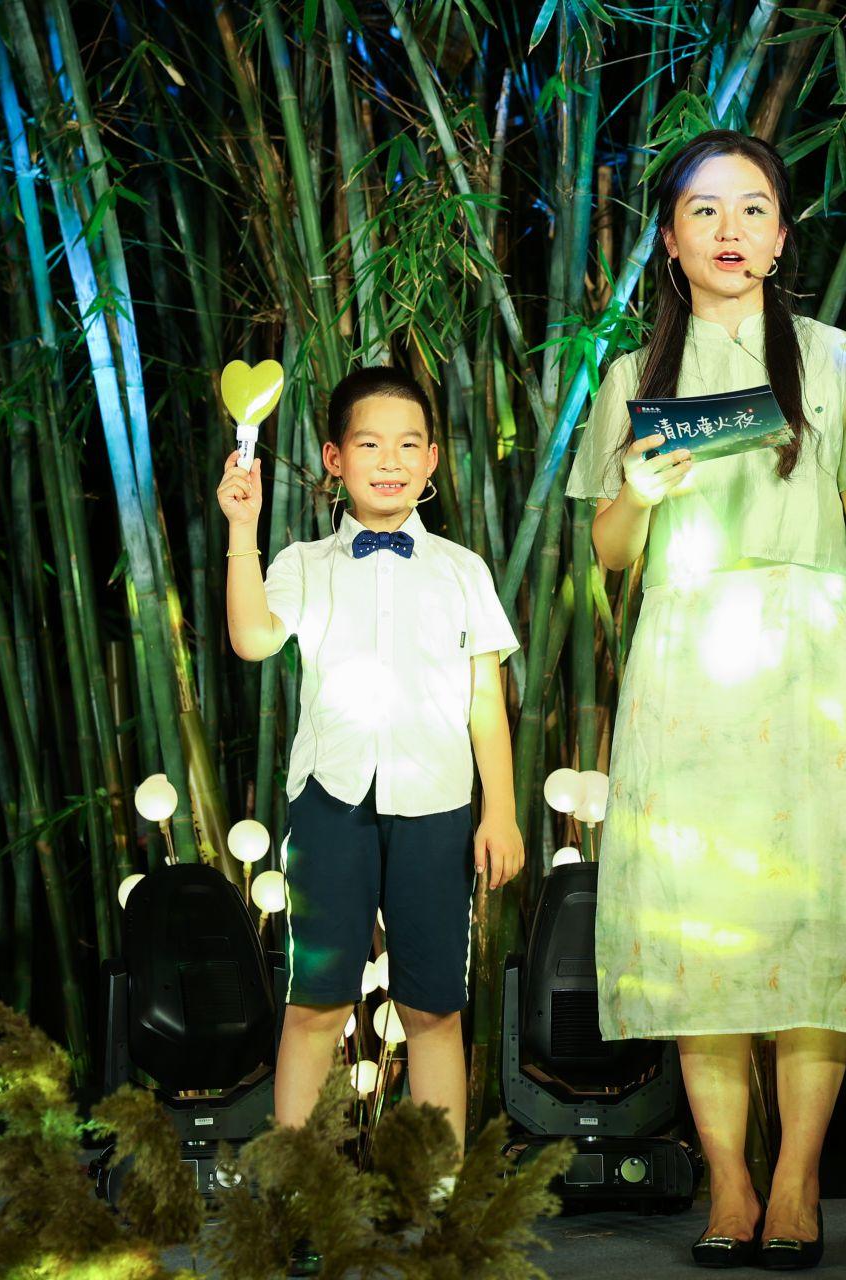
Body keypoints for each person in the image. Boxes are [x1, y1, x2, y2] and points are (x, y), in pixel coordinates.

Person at [565, 129, 846, 1270]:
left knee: (812, 919)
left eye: (752, 209)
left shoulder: (839, 360)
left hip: (809, 660)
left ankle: (798, 1180)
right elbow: (610, 551)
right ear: (669, 240)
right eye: (704, 211)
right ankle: (729, 1181)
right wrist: (637, 491)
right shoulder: (634, 378)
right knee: (699, 923)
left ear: (783, 235)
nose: (730, 230)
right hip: (688, 659)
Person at [218, 366, 523, 1266]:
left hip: (438, 806)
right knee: (316, 1003)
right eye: (368, 444)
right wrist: (242, 528)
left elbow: (485, 701)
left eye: (407, 445)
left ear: (431, 461)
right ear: (333, 459)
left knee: (434, 1007)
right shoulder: (302, 563)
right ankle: (299, 1200)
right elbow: (252, 639)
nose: (388, 461)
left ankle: (437, 1210)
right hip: (331, 804)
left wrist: (501, 812)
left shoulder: (462, 570)